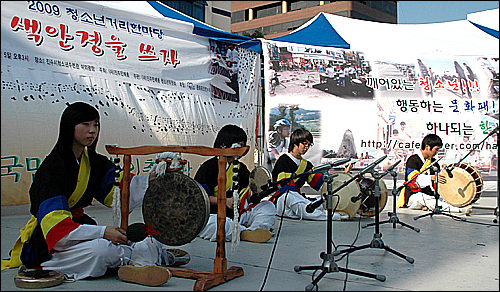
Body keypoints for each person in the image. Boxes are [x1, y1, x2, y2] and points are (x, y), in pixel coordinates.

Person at [1, 102, 189, 287]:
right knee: (100, 250)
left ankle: (139, 267)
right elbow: (56, 226)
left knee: (146, 238)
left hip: (81, 228)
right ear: (69, 127)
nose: (92, 130)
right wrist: (103, 232)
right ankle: (143, 261)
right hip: (54, 238)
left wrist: (153, 177)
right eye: (86, 124)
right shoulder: (51, 169)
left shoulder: (94, 162)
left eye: (96, 125)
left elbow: (119, 193)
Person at [195, 124, 276, 243]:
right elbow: (199, 197)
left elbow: (248, 197)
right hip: (214, 213)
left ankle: (255, 230)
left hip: (237, 214)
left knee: (268, 207)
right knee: (214, 224)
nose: (242, 148)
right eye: (240, 145)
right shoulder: (208, 168)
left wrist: (258, 189)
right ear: (226, 143)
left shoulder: (241, 168)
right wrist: (224, 201)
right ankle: (245, 232)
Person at [269, 128, 351, 221]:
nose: (307, 147)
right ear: (295, 143)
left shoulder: (306, 164)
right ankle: (334, 216)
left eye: (309, 145)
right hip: (283, 199)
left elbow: (320, 183)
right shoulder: (283, 160)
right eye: (304, 144)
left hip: (298, 200)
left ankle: (316, 209)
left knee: (324, 199)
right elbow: (285, 187)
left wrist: (342, 178)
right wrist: (305, 201)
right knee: (297, 202)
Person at [396, 133, 472, 214]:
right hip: (413, 195)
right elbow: (413, 179)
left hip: (431, 195)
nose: (437, 152)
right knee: (422, 198)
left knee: (440, 199)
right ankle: (459, 210)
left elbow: (439, 183)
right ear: (427, 147)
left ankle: (457, 205)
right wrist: (432, 177)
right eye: (436, 149)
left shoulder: (434, 163)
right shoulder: (413, 160)